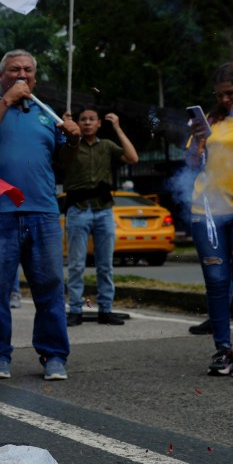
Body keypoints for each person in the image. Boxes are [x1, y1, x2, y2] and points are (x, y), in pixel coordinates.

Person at [0, 49, 81, 381]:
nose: (21, 75)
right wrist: (7, 102)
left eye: (28, 70)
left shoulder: (45, 113)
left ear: (35, 76)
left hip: (42, 212)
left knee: (50, 287)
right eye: (14, 70)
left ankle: (54, 355)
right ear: (0, 77)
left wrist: (72, 141)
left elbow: (65, 165)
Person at [187, 62, 233, 377]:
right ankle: (222, 349)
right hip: (208, 210)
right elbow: (192, 164)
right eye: (221, 95)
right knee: (216, 283)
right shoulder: (211, 121)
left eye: (231, 93)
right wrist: (196, 138)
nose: (226, 100)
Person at [64, 109, 139, 327]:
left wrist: (117, 127)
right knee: (76, 264)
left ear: (98, 124)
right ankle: (76, 310)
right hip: (78, 208)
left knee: (105, 264)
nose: (87, 123)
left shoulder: (106, 146)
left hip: (103, 209)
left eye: (91, 120)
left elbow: (133, 158)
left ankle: (105, 309)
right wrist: (67, 129)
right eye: (83, 119)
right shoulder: (70, 146)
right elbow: (58, 157)